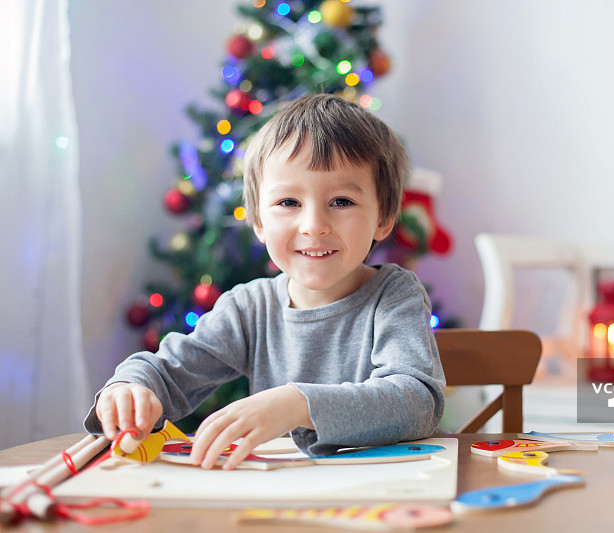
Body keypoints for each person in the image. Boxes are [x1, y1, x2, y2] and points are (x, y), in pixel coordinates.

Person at [84, 94, 446, 470]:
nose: (313, 226)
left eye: (341, 201)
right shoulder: (248, 308)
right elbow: (168, 373)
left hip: (383, 499)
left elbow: (416, 402)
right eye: (288, 202)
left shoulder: (395, 297)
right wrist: (130, 388)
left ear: (383, 218)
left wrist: (298, 404)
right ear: (258, 220)